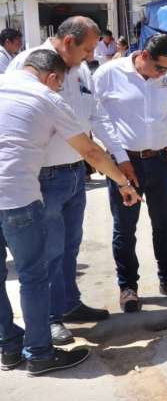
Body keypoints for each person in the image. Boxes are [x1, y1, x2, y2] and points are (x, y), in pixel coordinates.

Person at [0, 49, 140, 376]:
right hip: (17, 197)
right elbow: (90, 150)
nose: (59, 89)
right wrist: (123, 182)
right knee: (33, 276)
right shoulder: (47, 98)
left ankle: (8, 347)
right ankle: (39, 354)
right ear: (52, 77)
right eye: (59, 84)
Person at [93, 33, 167, 313]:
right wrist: (118, 157)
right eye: (159, 67)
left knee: (164, 224)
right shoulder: (109, 74)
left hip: (161, 161)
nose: (163, 74)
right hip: (124, 164)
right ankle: (128, 287)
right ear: (144, 56)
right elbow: (96, 117)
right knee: (125, 228)